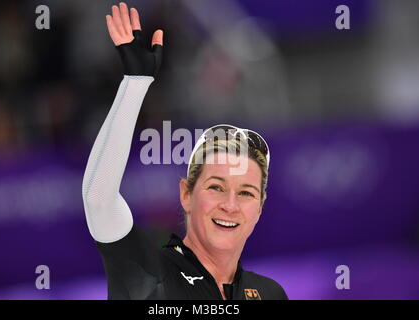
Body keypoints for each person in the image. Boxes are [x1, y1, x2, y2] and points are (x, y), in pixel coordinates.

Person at [82, 2, 287, 300]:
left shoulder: (270, 294)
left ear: (260, 207)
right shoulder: (149, 273)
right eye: (216, 187)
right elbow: (98, 198)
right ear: (186, 194)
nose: (230, 205)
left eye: (246, 192)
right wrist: (135, 83)